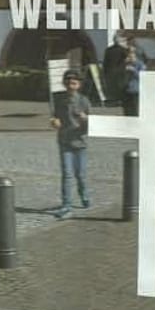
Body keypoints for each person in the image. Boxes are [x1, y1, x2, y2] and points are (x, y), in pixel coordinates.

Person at [50, 68, 90, 219]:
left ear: (79, 85)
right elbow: (54, 116)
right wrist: (54, 121)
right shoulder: (59, 100)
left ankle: (84, 195)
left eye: (73, 83)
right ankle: (66, 204)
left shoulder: (84, 101)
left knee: (80, 175)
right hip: (64, 141)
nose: (70, 86)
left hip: (80, 142)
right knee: (67, 174)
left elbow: (92, 124)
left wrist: (85, 119)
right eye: (67, 83)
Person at [121, 42, 145, 118]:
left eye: (132, 53)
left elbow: (142, 76)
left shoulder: (140, 64)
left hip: (135, 90)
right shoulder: (126, 63)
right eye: (129, 54)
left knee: (134, 110)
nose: (130, 55)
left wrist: (133, 70)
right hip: (126, 90)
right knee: (127, 111)